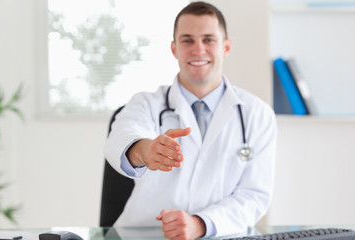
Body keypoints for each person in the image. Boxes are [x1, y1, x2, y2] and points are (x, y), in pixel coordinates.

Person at [104, 1, 277, 239]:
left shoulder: (257, 115)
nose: (198, 49)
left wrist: (201, 224)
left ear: (226, 47)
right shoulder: (145, 103)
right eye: (187, 40)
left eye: (208, 39)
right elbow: (121, 136)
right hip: (144, 235)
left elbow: (254, 196)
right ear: (174, 49)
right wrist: (145, 150)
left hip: (220, 234)